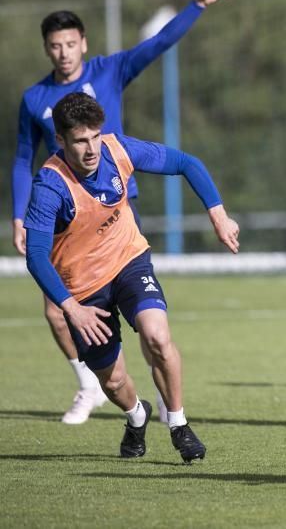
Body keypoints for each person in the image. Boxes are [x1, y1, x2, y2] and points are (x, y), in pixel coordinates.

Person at [10, 0, 231, 424]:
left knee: (142, 317)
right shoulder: (35, 99)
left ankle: (157, 393)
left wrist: (198, 5)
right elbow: (21, 159)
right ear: (46, 49)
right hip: (62, 209)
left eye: (71, 43)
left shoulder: (109, 69)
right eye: (55, 45)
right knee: (56, 310)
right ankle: (91, 382)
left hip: (114, 204)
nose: (64, 52)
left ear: (83, 43)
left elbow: (157, 44)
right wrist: (18, 216)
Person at [23, 93, 240, 463]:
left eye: (95, 136)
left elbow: (187, 163)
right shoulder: (50, 187)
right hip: (84, 290)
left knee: (157, 335)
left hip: (129, 261)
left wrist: (218, 214)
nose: (91, 148)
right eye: (80, 140)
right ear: (60, 141)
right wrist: (72, 309)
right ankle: (136, 416)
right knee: (115, 381)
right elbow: (36, 256)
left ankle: (179, 424)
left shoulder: (117, 149)